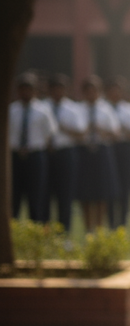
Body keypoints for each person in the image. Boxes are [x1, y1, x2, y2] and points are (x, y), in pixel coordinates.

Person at [9, 72, 57, 223]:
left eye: (29, 89)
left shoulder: (43, 110)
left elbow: (49, 135)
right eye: (22, 89)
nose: (25, 93)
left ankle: (35, 230)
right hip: (15, 156)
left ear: (35, 91)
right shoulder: (11, 110)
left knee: (36, 196)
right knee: (14, 196)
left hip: (35, 156)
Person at [77, 75, 120, 232]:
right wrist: (83, 132)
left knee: (102, 193)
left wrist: (102, 131)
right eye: (87, 91)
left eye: (94, 91)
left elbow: (116, 133)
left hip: (102, 151)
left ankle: (100, 229)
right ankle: (89, 230)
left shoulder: (106, 109)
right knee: (85, 194)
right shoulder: (78, 109)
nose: (91, 94)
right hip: (84, 152)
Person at [46, 73, 84, 232]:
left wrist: (62, 128)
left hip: (66, 154)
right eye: (55, 89)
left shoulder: (73, 109)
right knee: (44, 195)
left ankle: (64, 232)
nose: (58, 92)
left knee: (65, 195)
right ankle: (45, 232)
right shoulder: (43, 107)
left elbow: (81, 134)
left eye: (61, 89)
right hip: (46, 154)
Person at [107, 78, 130, 229]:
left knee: (124, 184)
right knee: (109, 184)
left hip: (125, 148)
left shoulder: (129, 109)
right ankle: (110, 220)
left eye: (118, 91)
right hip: (109, 148)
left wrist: (119, 129)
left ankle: (123, 220)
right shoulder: (104, 109)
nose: (115, 94)